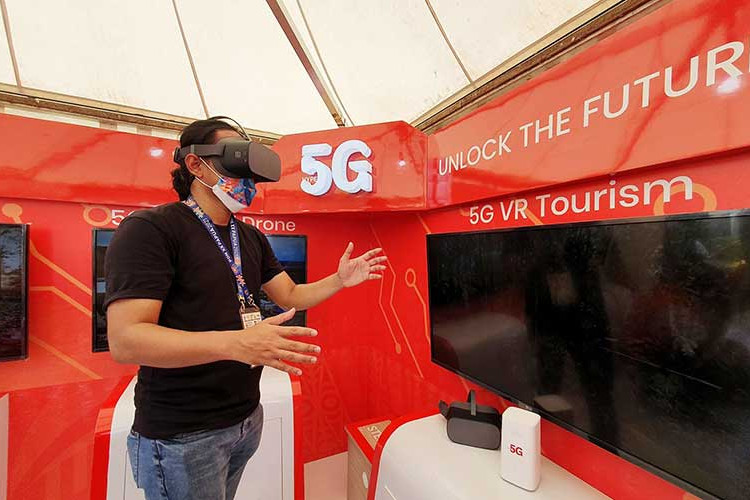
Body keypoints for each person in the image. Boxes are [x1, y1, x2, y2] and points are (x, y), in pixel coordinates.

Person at [104, 117, 386, 500]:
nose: (247, 181)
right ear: (195, 164)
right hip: (183, 435)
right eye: (235, 162)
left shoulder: (249, 237)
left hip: (245, 418)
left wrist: (338, 280)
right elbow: (126, 340)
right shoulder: (151, 229)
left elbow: (290, 295)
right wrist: (237, 344)